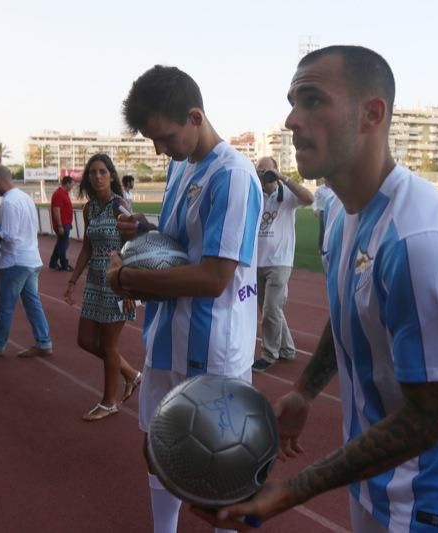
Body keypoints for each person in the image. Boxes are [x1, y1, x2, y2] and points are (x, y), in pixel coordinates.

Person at [193, 46, 438, 533]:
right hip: (375, 476)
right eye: (293, 101)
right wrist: (304, 390)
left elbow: (426, 421)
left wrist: (293, 491)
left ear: (371, 114)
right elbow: (349, 314)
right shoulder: (338, 213)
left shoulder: (420, 241)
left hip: (434, 490)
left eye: (313, 100)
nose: (292, 118)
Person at [109, 64, 262, 533]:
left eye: (166, 137)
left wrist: (126, 279)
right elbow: (181, 243)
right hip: (166, 338)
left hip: (213, 352)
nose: (159, 149)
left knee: (219, 465)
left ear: (195, 116)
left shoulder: (233, 176)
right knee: (158, 450)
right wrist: (145, 232)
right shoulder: (182, 166)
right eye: (152, 141)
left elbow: (215, 276)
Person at [62, 154, 141, 421]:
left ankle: (109, 402)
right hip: (94, 282)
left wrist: (129, 287)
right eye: (93, 172)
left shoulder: (120, 206)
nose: (97, 177)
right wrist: (73, 281)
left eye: (102, 172)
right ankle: (130, 373)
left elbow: (134, 245)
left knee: (109, 346)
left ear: (111, 175)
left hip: (116, 284)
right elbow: (86, 247)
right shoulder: (90, 208)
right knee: (85, 339)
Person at [0, 166, 53, 359]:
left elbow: (8, 236)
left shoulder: (8, 202)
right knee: (33, 303)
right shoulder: (25, 198)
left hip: (15, 261)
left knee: (5, 305)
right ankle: (44, 342)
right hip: (32, 259)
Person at [251, 156, 313, 372]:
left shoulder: (287, 195)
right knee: (271, 310)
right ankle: (287, 349)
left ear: (276, 171)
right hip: (257, 263)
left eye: (267, 171)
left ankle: (269, 354)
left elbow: (309, 198)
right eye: (260, 171)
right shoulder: (256, 195)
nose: (263, 175)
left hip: (279, 262)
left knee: (270, 310)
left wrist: (282, 178)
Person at [48, 175, 74, 272]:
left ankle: (53, 262)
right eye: (72, 184)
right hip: (62, 224)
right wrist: (60, 225)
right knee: (63, 245)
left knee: (60, 244)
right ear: (67, 184)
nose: (72, 187)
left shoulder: (64, 194)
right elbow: (56, 210)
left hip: (65, 223)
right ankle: (64, 264)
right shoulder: (59, 194)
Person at [312, 178, 335, 252]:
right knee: (323, 230)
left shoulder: (335, 188)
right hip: (323, 211)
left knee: (332, 229)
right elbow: (314, 199)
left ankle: (331, 246)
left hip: (333, 211)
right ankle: (321, 247)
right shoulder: (320, 189)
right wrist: (315, 209)